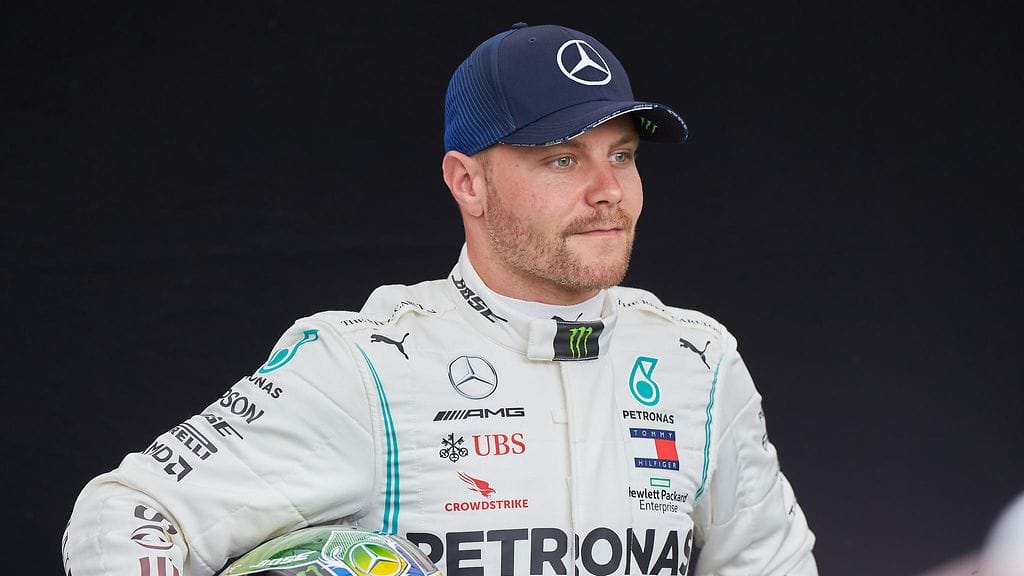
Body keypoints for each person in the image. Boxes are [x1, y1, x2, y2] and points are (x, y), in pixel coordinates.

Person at [62, 22, 818, 576]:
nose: (608, 191)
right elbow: (122, 513)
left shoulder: (697, 361)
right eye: (562, 160)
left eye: (621, 155)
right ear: (467, 182)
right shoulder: (364, 365)